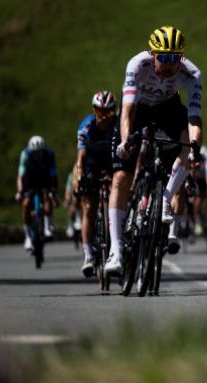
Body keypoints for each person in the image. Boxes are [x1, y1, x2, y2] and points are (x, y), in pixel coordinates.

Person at [105, 26, 203, 275]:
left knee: (188, 141)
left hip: (168, 108)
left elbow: (194, 119)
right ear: (153, 54)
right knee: (120, 178)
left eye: (175, 58)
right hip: (139, 109)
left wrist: (194, 150)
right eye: (164, 57)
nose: (170, 64)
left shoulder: (191, 74)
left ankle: (165, 198)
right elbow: (127, 111)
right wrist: (126, 143)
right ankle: (115, 251)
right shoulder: (138, 65)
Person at [75, 90, 118, 276]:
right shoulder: (86, 126)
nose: (105, 116)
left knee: (119, 195)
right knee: (89, 209)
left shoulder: (117, 125)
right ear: (94, 111)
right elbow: (81, 159)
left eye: (109, 112)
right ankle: (88, 256)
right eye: (100, 112)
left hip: (112, 164)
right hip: (92, 164)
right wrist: (79, 179)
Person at [16, 136, 59, 250]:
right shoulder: (25, 155)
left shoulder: (49, 155)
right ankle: (28, 236)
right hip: (29, 180)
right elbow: (20, 176)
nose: (38, 155)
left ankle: (47, 226)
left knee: (48, 196)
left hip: (44, 178)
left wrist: (54, 191)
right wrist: (20, 192)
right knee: (26, 204)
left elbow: (53, 174)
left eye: (40, 153)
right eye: (35, 153)